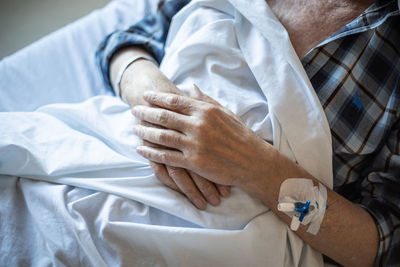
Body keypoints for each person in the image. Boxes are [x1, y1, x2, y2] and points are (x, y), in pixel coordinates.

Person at [96, 0, 400, 266]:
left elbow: (377, 247)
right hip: (109, 157)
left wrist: (253, 166)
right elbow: (126, 42)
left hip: (216, 239)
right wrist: (163, 110)